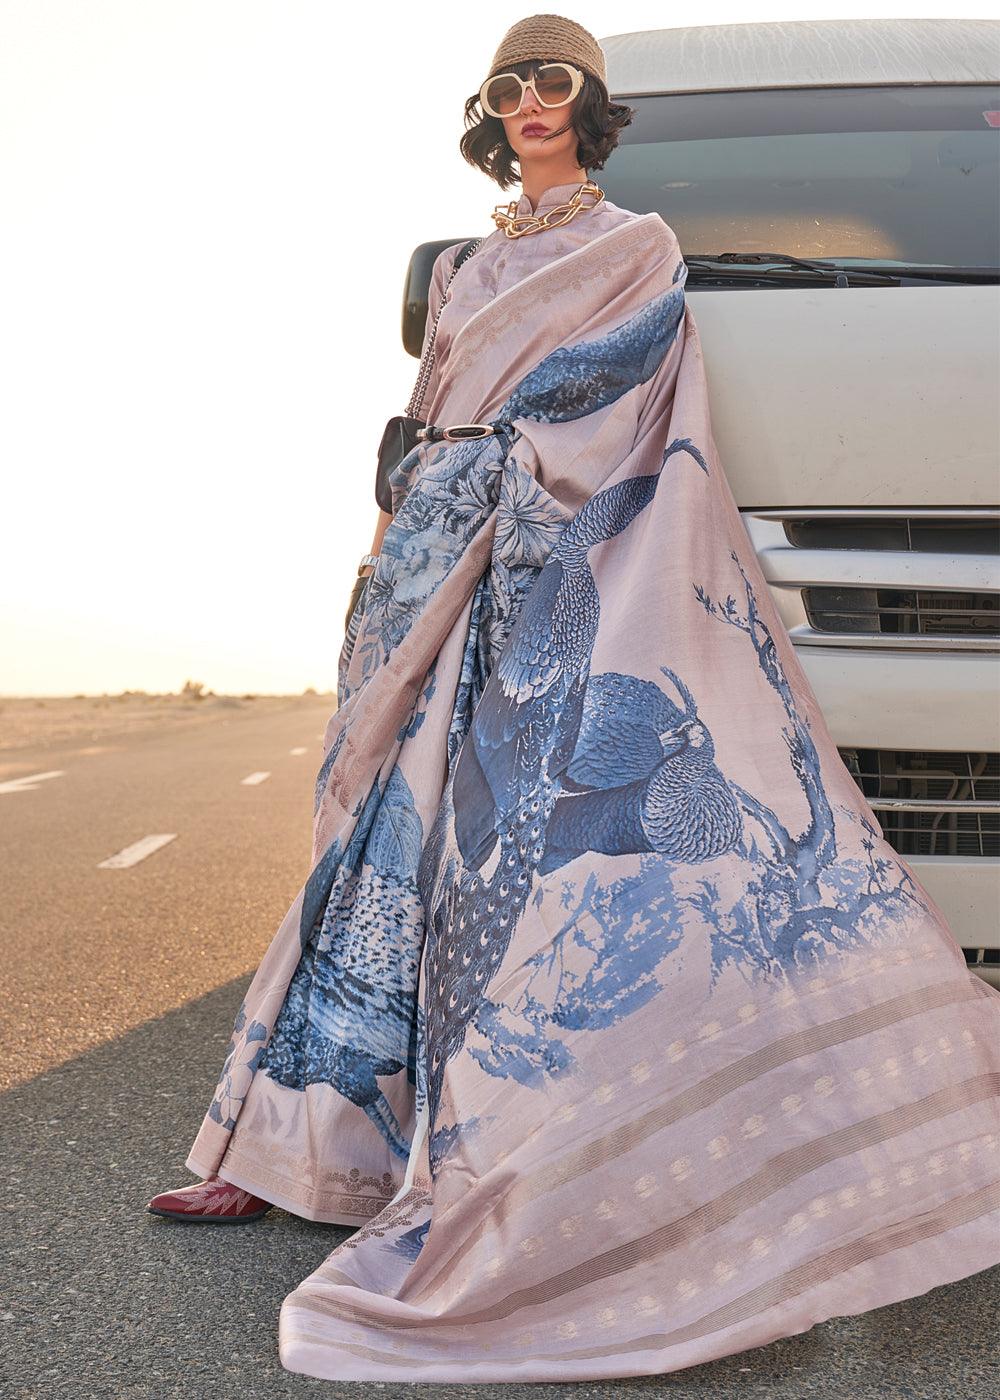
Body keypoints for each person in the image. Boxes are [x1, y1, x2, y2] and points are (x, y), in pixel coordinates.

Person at [147, 12, 1000, 1385]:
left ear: (590, 108)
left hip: (543, 574)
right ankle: (287, 1151)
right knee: (377, 845)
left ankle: (523, 1152)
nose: (532, 101)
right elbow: (429, 411)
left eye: (555, 82)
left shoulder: (637, 247)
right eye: (510, 86)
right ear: (490, 113)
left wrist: (502, 484)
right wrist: (391, 548)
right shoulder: (470, 266)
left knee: (512, 869)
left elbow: (620, 413)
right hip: (431, 572)